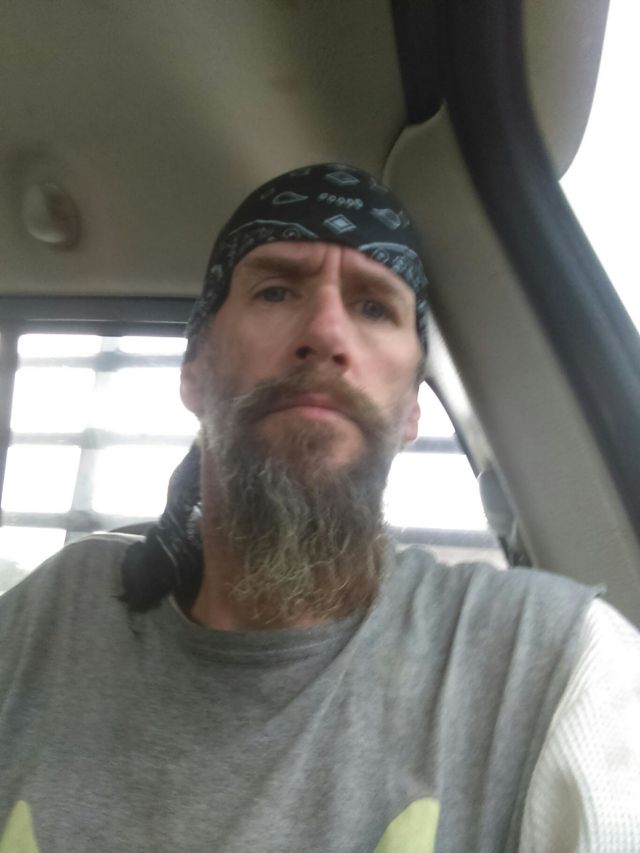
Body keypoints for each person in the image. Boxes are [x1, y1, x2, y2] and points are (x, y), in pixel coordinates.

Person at [0, 164, 638, 853]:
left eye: (375, 307)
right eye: (275, 291)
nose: (327, 331)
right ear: (194, 371)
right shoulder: (51, 618)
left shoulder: (554, 667)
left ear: (412, 408)